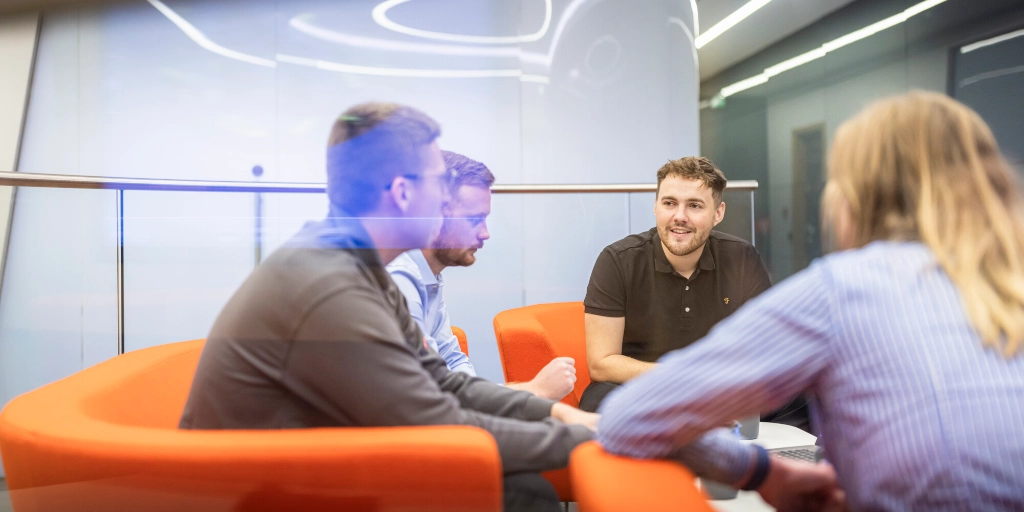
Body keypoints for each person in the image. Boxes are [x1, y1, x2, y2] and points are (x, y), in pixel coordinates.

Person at [598, 91, 1024, 510]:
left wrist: (761, 472)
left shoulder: (841, 289)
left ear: (851, 197)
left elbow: (628, 419)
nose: (680, 216)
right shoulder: (1007, 282)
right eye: (670, 203)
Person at [179, 102, 597, 512]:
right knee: (519, 494)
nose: (445, 198)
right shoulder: (331, 288)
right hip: (252, 491)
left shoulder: (359, 266)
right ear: (402, 192)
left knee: (518, 487)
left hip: (301, 469)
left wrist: (558, 414)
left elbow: (444, 384)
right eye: (439, 181)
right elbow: (434, 426)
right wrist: (593, 437)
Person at [581, 157, 806, 424]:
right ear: (655, 206)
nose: (679, 216)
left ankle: (755, 451)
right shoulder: (618, 260)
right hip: (645, 390)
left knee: (801, 395)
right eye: (669, 203)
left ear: (718, 213)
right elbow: (601, 363)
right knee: (598, 400)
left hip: (721, 389)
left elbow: (764, 350)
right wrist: (681, 377)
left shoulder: (742, 258)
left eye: (694, 206)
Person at [387, 151, 576, 401]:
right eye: (474, 219)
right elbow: (427, 391)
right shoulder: (398, 278)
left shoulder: (429, 277)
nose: (485, 234)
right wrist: (533, 390)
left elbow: (453, 362)